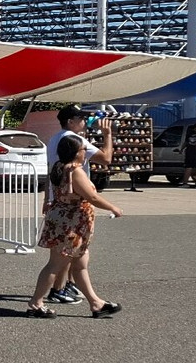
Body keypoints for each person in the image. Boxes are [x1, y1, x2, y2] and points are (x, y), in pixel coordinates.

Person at [27, 134, 124, 318]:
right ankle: (35, 304)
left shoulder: (60, 167)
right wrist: (113, 207)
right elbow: (92, 197)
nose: (85, 153)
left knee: (80, 264)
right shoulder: (74, 171)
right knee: (55, 265)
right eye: (83, 150)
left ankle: (96, 304)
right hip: (71, 224)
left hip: (66, 221)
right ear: (76, 152)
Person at [43, 104, 113, 305]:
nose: (84, 122)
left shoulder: (54, 139)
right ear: (71, 121)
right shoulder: (75, 141)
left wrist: (47, 199)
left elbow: (50, 171)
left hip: (58, 199)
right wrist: (107, 135)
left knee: (70, 251)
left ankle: (67, 285)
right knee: (66, 252)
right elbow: (106, 159)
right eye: (80, 118)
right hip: (73, 204)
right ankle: (57, 289)